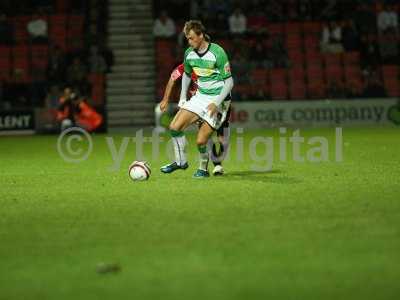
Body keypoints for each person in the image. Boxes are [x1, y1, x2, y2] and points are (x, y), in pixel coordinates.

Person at [160, 20, 234, 178]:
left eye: (191, 38)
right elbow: (186, 74)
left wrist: (216, 102)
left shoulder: (217, 52)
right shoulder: (189, 53)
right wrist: (182, 97)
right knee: (174, 127)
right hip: (200, 97)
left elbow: (229, 82)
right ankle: (180, 162)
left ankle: (203, 168)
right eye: (187, 38)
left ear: (201, 36)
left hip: (219, 100)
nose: (189, 41)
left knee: (201, 141)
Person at [158, 60, 230, 175]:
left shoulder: (212, 67)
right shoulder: (186, 66)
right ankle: (208, 167)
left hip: (219, 103)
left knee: (223, 139)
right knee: (203, 137)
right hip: (200, 102)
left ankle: (218, 163)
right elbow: (173, 78)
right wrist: (165, 99)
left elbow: (227, 83)